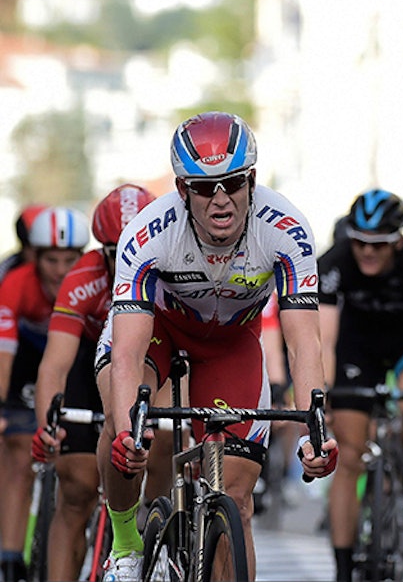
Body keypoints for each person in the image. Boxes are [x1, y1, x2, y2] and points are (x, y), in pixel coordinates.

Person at [99, 111, 338, 582]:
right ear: (183, 190)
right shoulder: (150, 233)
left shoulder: (286, 229)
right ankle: (126, 544)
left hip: (232, 345)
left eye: (233, 182)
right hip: (159, 333)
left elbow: (303, 342)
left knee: (237, 499)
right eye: (204, 188)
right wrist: (129, 429)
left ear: (252, 179)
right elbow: (126, 352)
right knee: (124, 421)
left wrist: (315, 426)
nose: (221, 199)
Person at [318, 188, 403, 582]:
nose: (366, 252)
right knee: (349, 455)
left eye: (377, 244)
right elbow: (324, 340)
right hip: (356, 350)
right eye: (359, 242)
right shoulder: (334, 261)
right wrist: (320, 392)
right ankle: (343, 570)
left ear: (398, 240)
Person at [31, 185, 161, 582]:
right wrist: (45, 428)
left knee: (163, 440)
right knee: (78, 488)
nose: (125, 261)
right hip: (90, 365)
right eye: (114, 253)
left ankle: (158, 528)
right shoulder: (84, 276)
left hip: (146, 361)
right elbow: (55, 363)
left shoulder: (167, 270)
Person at [0, 204, 89, 582]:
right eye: (51, 259)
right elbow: (4, 355)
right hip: (23, 358)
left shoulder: (90, 283)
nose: (60, 270)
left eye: (70, 259)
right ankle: (10, 555)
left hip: (75, 357)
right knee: (20, 450)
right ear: (34, 257)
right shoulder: (16, 284)